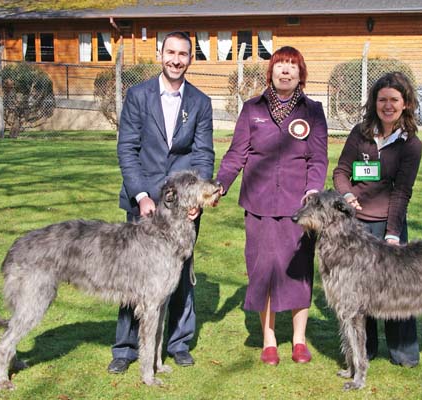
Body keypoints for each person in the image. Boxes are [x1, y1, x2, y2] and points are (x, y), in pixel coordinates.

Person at [108, 31, 214, 373]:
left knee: (181, 278)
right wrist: (141, 195)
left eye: (183, 54)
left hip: (182, 205)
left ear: (190, 59)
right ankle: (125, 350)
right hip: (142, 202)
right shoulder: (138, 96)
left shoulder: (200, 102)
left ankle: (178, 343)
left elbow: (203, 153)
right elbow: (127, 149)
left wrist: (196, 198)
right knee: (132, 278)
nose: (176, 59)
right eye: (171, 52)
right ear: (159, 54)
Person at [216, 46, 328, 366]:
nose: (286, 72)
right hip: (259, 203)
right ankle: (269, 340)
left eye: (292, 66)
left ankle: (299, 340)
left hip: (299, 206)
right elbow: (237, 153)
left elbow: (317, 158)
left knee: (299, 270)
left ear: (300, 73)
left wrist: (313, 190)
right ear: (271, 71)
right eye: (280, 65)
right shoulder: (252, 109)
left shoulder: (313, 111)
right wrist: (221, 183)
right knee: (262, 269)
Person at [332, 71, 422, 367]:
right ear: (374, 102)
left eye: (394, 100)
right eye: (382, 99)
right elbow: (342, 172)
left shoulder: (411, 144)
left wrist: (393, 233)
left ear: (405, 103)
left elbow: (402, 192)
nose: (387, 105)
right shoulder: (360, 133)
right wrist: (346, 196)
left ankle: (403, 351)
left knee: (398, 288)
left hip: (389, 222)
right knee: (359, 290)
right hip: (356, 225)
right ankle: (364, 351)